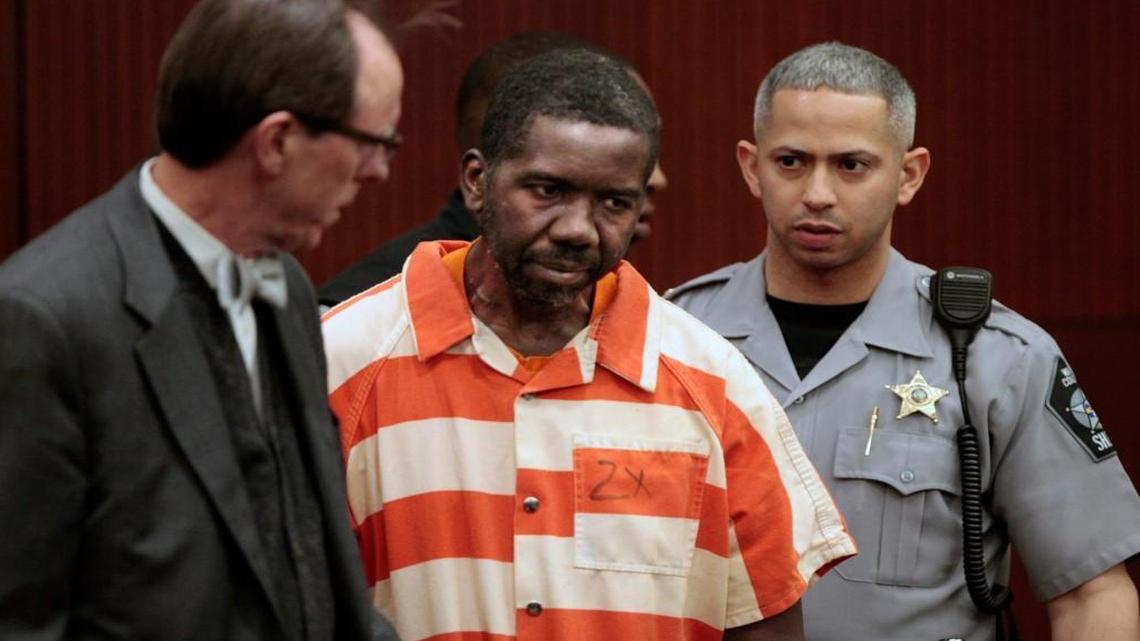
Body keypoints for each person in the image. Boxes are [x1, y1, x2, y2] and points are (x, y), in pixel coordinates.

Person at [322, 47, 855, 641]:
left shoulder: (713, 382)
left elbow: (768, 622)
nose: (578, 229)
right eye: (548, 190)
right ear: (477, 182)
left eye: (613, 203)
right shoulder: (345, 361)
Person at [667, 41, 1140, 641]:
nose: (817, 192)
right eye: (790, 161)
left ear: (908, 175)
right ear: (749, 166)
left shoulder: (996, 357)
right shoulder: (674, 338)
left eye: (851, 165)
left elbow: (1091, 591)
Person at [0, 1, 403, 639]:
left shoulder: (289, 289)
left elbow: (306, 561)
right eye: (375, 142)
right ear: (276, 141)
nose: (379, 171)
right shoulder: (42, 318)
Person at [317, 31, 668, 309]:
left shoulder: (689, 354)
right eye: (549, 189)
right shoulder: (352, 331)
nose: (656, 179)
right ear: (478, 176)